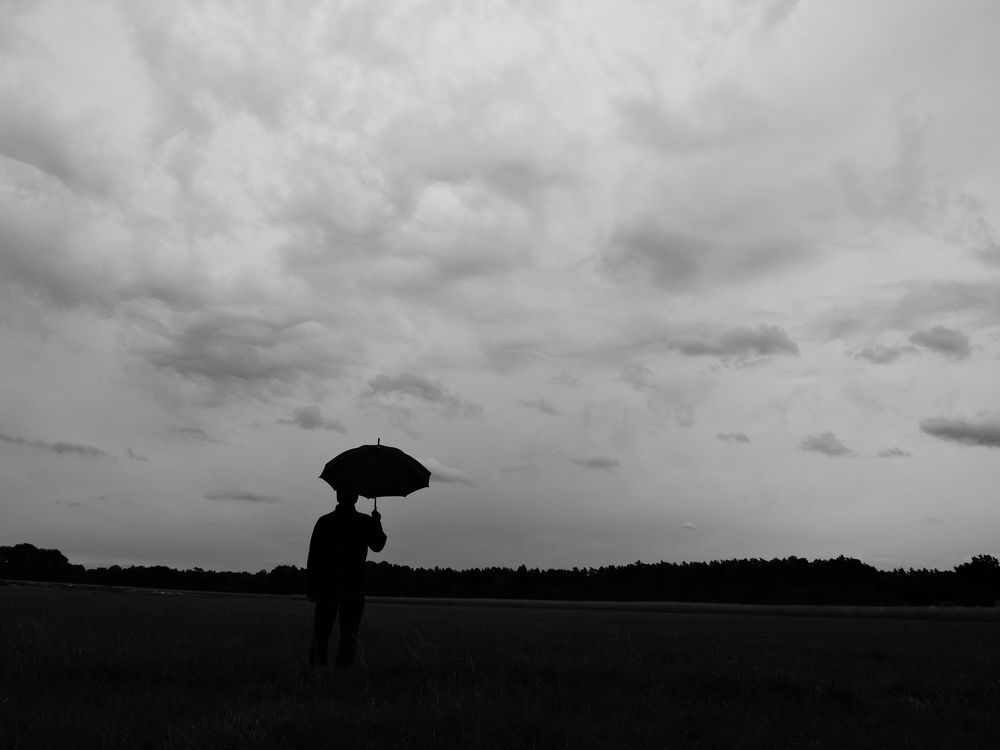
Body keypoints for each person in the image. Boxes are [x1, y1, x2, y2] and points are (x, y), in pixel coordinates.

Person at [306, 488, 387, 668]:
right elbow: (378, 545)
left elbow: (313, 557)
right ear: (357, 497)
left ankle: (317, 674)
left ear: (337, 495)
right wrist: (376, 523)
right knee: (349, 635)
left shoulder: (325, 522)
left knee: (321, 634)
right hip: (354, 587)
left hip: (327, 586)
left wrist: (311, 586)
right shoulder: (364, 522)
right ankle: (342, 674)